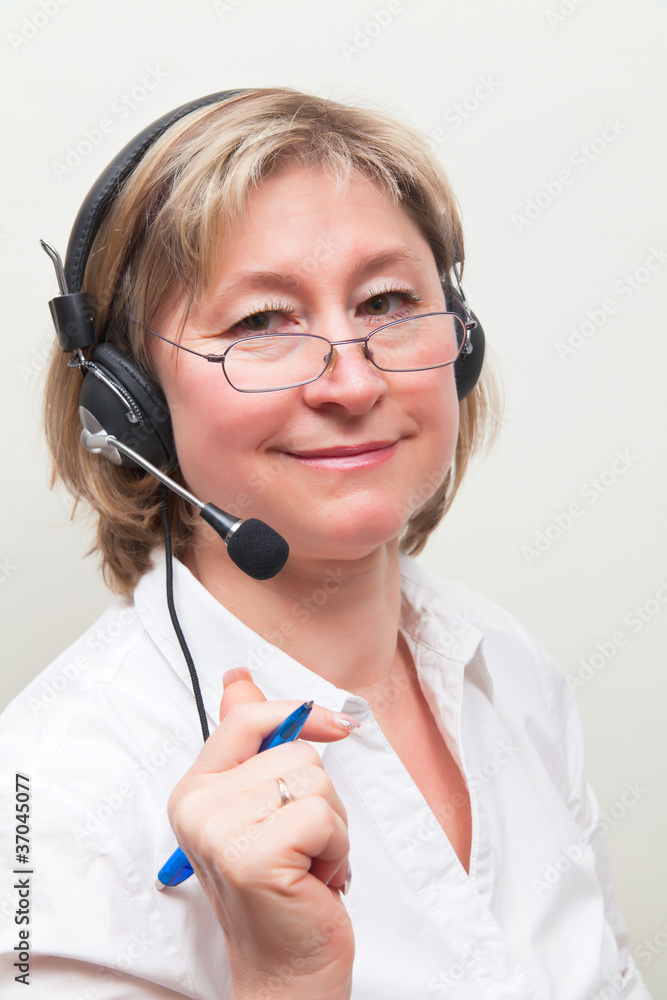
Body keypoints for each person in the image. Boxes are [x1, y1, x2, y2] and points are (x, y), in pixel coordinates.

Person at [0, 88, 651, 1000]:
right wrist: (285, 978)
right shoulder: (44, 798)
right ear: (129, 406)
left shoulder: (507, 667)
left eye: (387, 301)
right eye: (261, 321)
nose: (352, 380)